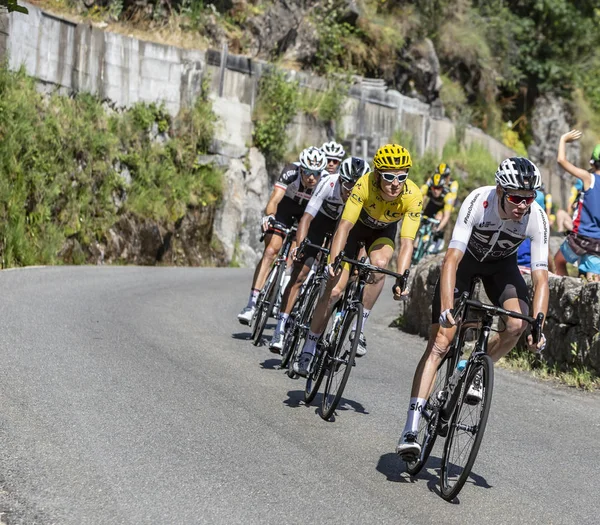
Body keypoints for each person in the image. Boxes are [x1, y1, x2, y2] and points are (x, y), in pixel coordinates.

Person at [396, 157, 549, 458]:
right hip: (464, 264)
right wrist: (446, 308)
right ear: (501, 190)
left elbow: (541, 281)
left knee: (516, 325)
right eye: (517, 197)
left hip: (501, 269)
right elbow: (451, 260)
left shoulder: (537, 217)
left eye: (529, 198)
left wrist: (538, 324)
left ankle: (474, 370)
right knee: (441, 341)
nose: (523, 205)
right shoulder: (478, 201)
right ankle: (411, 428)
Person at [292, 143, 423, 376]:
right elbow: (344, 226)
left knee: (379, 266)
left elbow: (407, 242)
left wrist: (402, 277)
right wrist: (333, 260)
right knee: (333, 292)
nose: (395, 183)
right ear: (377, 175)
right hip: (356, 230)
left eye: (402, 176)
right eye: (389, 176)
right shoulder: (364, 185)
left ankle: (359, 326)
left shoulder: (412, 195)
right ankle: (309, 346)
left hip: (383, 233)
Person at [268, 157, 370, 353]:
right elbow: (306, 218)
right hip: (321, 222)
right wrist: (299, 244)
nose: (350, 190)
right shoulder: (328, 183)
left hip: (345, 228)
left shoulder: (365, 197)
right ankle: (280, 328)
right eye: (347, 184)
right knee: (300, 273)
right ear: (340, 179)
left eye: (355, 186)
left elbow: (362, 237)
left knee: (346, 274)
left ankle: (328, 326)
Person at [237, 147, 328, 324]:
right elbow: (275, 199)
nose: (312, 177)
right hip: (285, 209)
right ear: (301, 169)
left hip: (306, 215)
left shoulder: (324, 181)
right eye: (308, 172)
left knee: (296, 256)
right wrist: (270, 217)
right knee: (271, 251)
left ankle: (282, 293)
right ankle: (251, 303)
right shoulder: (290, 171)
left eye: (316, 173)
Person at [553, 130, 600, 283]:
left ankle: (567, 294)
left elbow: (561, 160)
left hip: (580, 238)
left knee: (558, 261)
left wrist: (563, 139)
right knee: (593, 282)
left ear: (592, 162)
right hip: (597, 241)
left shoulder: (589, 178)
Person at [419, 163, 459, 253]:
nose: (443, 178)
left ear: (449, 176)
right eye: (440, 175)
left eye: (445, 176)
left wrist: (439, 226)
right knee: (424, 217)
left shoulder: (453, 185)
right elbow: (422, 196)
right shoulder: (432, 181)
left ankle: (438, 237)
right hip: (434, 202)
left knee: (439, 217)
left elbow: (449, 206)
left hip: (446, 204)